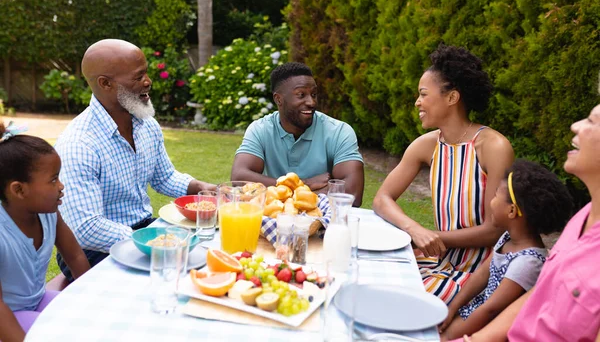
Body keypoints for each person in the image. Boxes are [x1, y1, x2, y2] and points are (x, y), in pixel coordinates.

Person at [54, 39, 215, 282]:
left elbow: (164, 177)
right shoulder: (79, 144)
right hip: (91, 250)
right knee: (174, 276)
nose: (148, 81)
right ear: (105, 83)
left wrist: (199, 187)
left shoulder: (145, 123)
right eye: (138, 77)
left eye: (146, 73)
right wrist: (151, 239)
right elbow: (85, 229)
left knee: (205, 256)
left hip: (142, 230)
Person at [373, 44, 514, 303]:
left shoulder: (493, 147)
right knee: (372, 281)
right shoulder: (426, 145)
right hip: (440, 262)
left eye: (423, 94)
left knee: (396, 302)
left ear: (451, 98)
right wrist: (414, 229)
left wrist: (434, 239)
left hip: (477, 273)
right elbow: (382, 198)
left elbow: (494, 229)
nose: (417, 102)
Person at [453, 102, 600, 342]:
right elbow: (537, 296)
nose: (575, 125)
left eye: (593, 121)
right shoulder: (583, 218)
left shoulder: (529, 259)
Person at [438, 159, 573, 340]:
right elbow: (481, 275)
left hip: (490, 330)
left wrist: (450, 335)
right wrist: (453, 306)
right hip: (475, 312)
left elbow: (492, 310)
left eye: (495, 196)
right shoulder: (508, 237)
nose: (491, 202)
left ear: (511, 211)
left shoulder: (528, 262)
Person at [0, 122, 90, 341]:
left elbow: (75, 255)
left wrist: (91, 301)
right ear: (19, 189)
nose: (61, 186)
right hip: (7, 316)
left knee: (86, 321)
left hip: (38, 300)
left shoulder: (48, 213)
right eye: (53, 180)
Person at [231, 62, 365, 206]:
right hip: (277, 219)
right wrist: (305, 184)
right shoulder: (260, 129)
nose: (311, 102)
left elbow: (353, 194)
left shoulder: (339, 132)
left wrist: (281, 193)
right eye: (301, 95)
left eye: (314, 94)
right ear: (278, 99)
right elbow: (239, 179)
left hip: (324, 221)